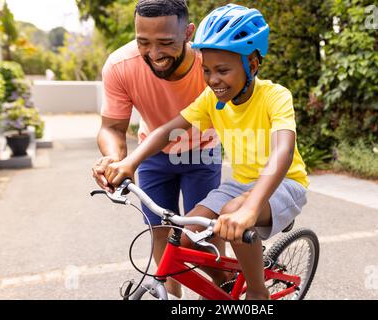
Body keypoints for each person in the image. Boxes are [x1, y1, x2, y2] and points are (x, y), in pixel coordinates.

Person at [104, 3, 309, 300]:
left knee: (233, 213)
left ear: (251, 65)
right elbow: (166, 131)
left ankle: (257, 293)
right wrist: (129, 162)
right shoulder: (211, 99)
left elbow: (283, 152)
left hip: (284, 183)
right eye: (207, 70)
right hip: (239, 185)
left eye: (223, 70)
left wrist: (251, 207)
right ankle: (225, 284)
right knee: (185, 237)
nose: (213, 80)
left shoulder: (275, 96)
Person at [92, 0, 223, 299]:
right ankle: (173, 299)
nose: (154, 53)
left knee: (205, 236)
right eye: (143, 42)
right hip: (152, 155)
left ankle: (222, 296)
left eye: (166, 42)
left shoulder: (211, 63)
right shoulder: (120, 65)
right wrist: (114, 159)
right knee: (160, 233)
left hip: (202, 152)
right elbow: (112, 127)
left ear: (188, 33)